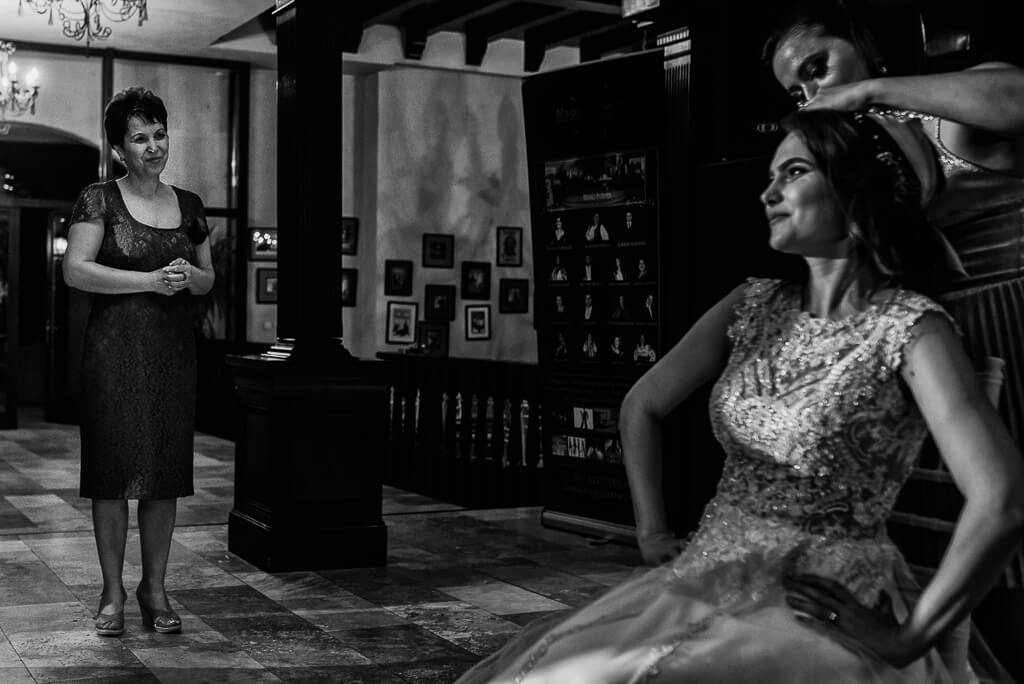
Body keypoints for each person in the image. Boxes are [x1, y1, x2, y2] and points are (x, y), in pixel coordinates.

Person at [455, 111, 1024, 683]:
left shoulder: (911, 328)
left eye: (793, 172)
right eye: (770, 176)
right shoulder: (752, 303)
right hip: (709, 572)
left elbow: (1002, 498)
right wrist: (652, 533)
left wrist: (907, 638)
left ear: (858, 187)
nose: (768, 193)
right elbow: (641, 406)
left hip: (819, 599)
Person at [63, 87, 215, 637]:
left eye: (159, 134)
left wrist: (189, 277)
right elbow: (76, 270)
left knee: (163, 476)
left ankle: (155, 588)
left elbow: (208, 279)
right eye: (139, 138)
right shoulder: (98, 199)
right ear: (118, 150)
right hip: (112, 356)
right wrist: (149, 281)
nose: (153, 147)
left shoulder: (191, 206)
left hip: (172, 356)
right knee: (110, 477)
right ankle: (112, 592)